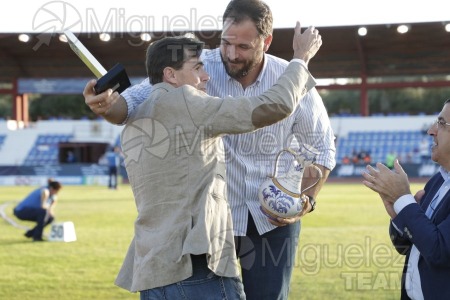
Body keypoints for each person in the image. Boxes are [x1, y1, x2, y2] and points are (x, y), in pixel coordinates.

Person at [84, 1, 336, 298]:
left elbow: (322, 150)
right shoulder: (197, 66)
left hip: (271, 222)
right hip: (213, 221)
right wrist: (109, 106)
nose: (231, 54)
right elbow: (139, 98)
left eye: (242, 46)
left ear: (265, 42)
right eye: (225, 42)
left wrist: (306, 201)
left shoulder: (293, 78)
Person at [362, 99, 450, 300]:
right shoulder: (439, 180)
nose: (431, 130)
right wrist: (398, 215)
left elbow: (439, 252)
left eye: (442, 123)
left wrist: (404, 199)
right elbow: (407, 248)